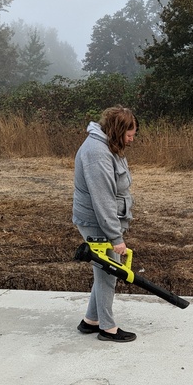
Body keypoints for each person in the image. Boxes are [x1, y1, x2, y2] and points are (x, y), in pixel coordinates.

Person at [72, 105, 138, 342]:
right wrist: (115, 237)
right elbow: (102, 198)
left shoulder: (108, 146)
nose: (131, 140)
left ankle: (90, 320)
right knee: (109, 273)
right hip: (97, 221)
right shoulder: (97, 152)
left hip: (104, 220)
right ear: (117, 130)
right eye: (129, 135)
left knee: (103, 271)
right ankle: (107, 328)